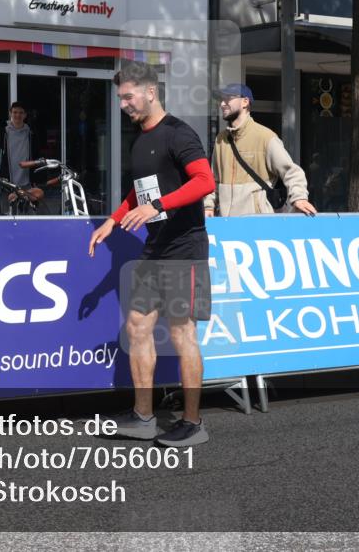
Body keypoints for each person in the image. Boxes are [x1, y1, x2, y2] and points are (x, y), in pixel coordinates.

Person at [88, 61, 215, 447]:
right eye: (120, 98)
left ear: (150, 92)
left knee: (181, 332)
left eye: (128, 97)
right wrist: (113, 220)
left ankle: (193, 423)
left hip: (184, 246)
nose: (123, 104)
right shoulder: (140, 139)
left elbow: (205, 181)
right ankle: (143, 417)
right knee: (137, 327)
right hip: (155, 248)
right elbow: (140, 190)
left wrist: (156, 206)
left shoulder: (178, 133)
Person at [204, 83, 316, 217]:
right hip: (226, 223)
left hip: (258, 223)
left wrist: (299, 198)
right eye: (222, 99)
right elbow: (214, 180)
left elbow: (292, 172)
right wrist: (208, 206)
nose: (222, 104)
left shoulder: (265, 137)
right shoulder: (221, 140)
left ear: (245, 102)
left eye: (228, 98)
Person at [0, 101, 36, 214]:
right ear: (10, 113)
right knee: (7, 217)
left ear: (25, 115)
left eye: (20, 112)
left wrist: (36, 180)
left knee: (27, 217)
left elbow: (36, 158)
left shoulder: (31, 134)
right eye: (15, 112)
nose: (17, 115)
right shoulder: (2, 134)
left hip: (27, 184)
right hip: (6, 184)